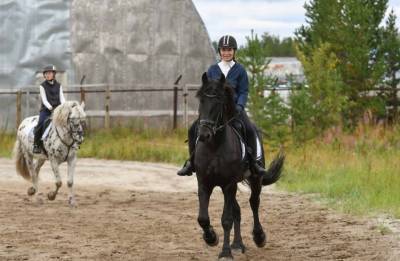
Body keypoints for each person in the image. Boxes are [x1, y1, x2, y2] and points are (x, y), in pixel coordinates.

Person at [177, 35, 267, 177]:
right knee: (193, 129)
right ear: (220, 51)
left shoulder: (240, 70)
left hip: (234, 111)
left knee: (250, 129)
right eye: (224, 50)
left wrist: (240, 106)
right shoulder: (213, 70)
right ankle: (191, 162)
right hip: (215, 112)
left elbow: (243, 91)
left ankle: (254, 163)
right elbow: (209, 91)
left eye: (229, 50)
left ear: (234, 51)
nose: (226, 53)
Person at [33, 65, 66, 154]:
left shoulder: (59, 85)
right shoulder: (42, 86)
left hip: (58, 110)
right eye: (46, 73)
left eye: (49, 73)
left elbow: (62, 98)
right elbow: (44, 100)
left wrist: (64, 106)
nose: (47, 75)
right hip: (46, 110)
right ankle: (36, 144)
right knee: (41, 123)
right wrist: (51, 108)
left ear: (54, 74)